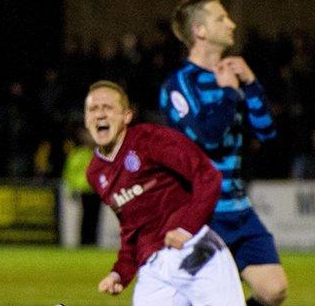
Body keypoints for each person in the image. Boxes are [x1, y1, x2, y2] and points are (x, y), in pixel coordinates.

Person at [160, 0, 288, 306]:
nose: (231, 23)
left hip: (238, 209)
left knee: (274, 290)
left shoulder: (234, 76)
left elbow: (268, 132)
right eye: (221, 18)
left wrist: (251, 83)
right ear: (199, 31)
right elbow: (207, 136)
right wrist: (230, 93)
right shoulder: (179, 85)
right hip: (200, 214)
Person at [84, 80, 244, 305]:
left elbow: (208, 176)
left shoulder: (151, 139)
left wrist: (186, 228)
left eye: (107, 107)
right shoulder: (95, 173)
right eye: (93, 109)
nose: (99, 114)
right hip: (154, 269)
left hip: (195, 250)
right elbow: (131, 228)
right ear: (86, 119)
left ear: (126, 116)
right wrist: (120, 272)